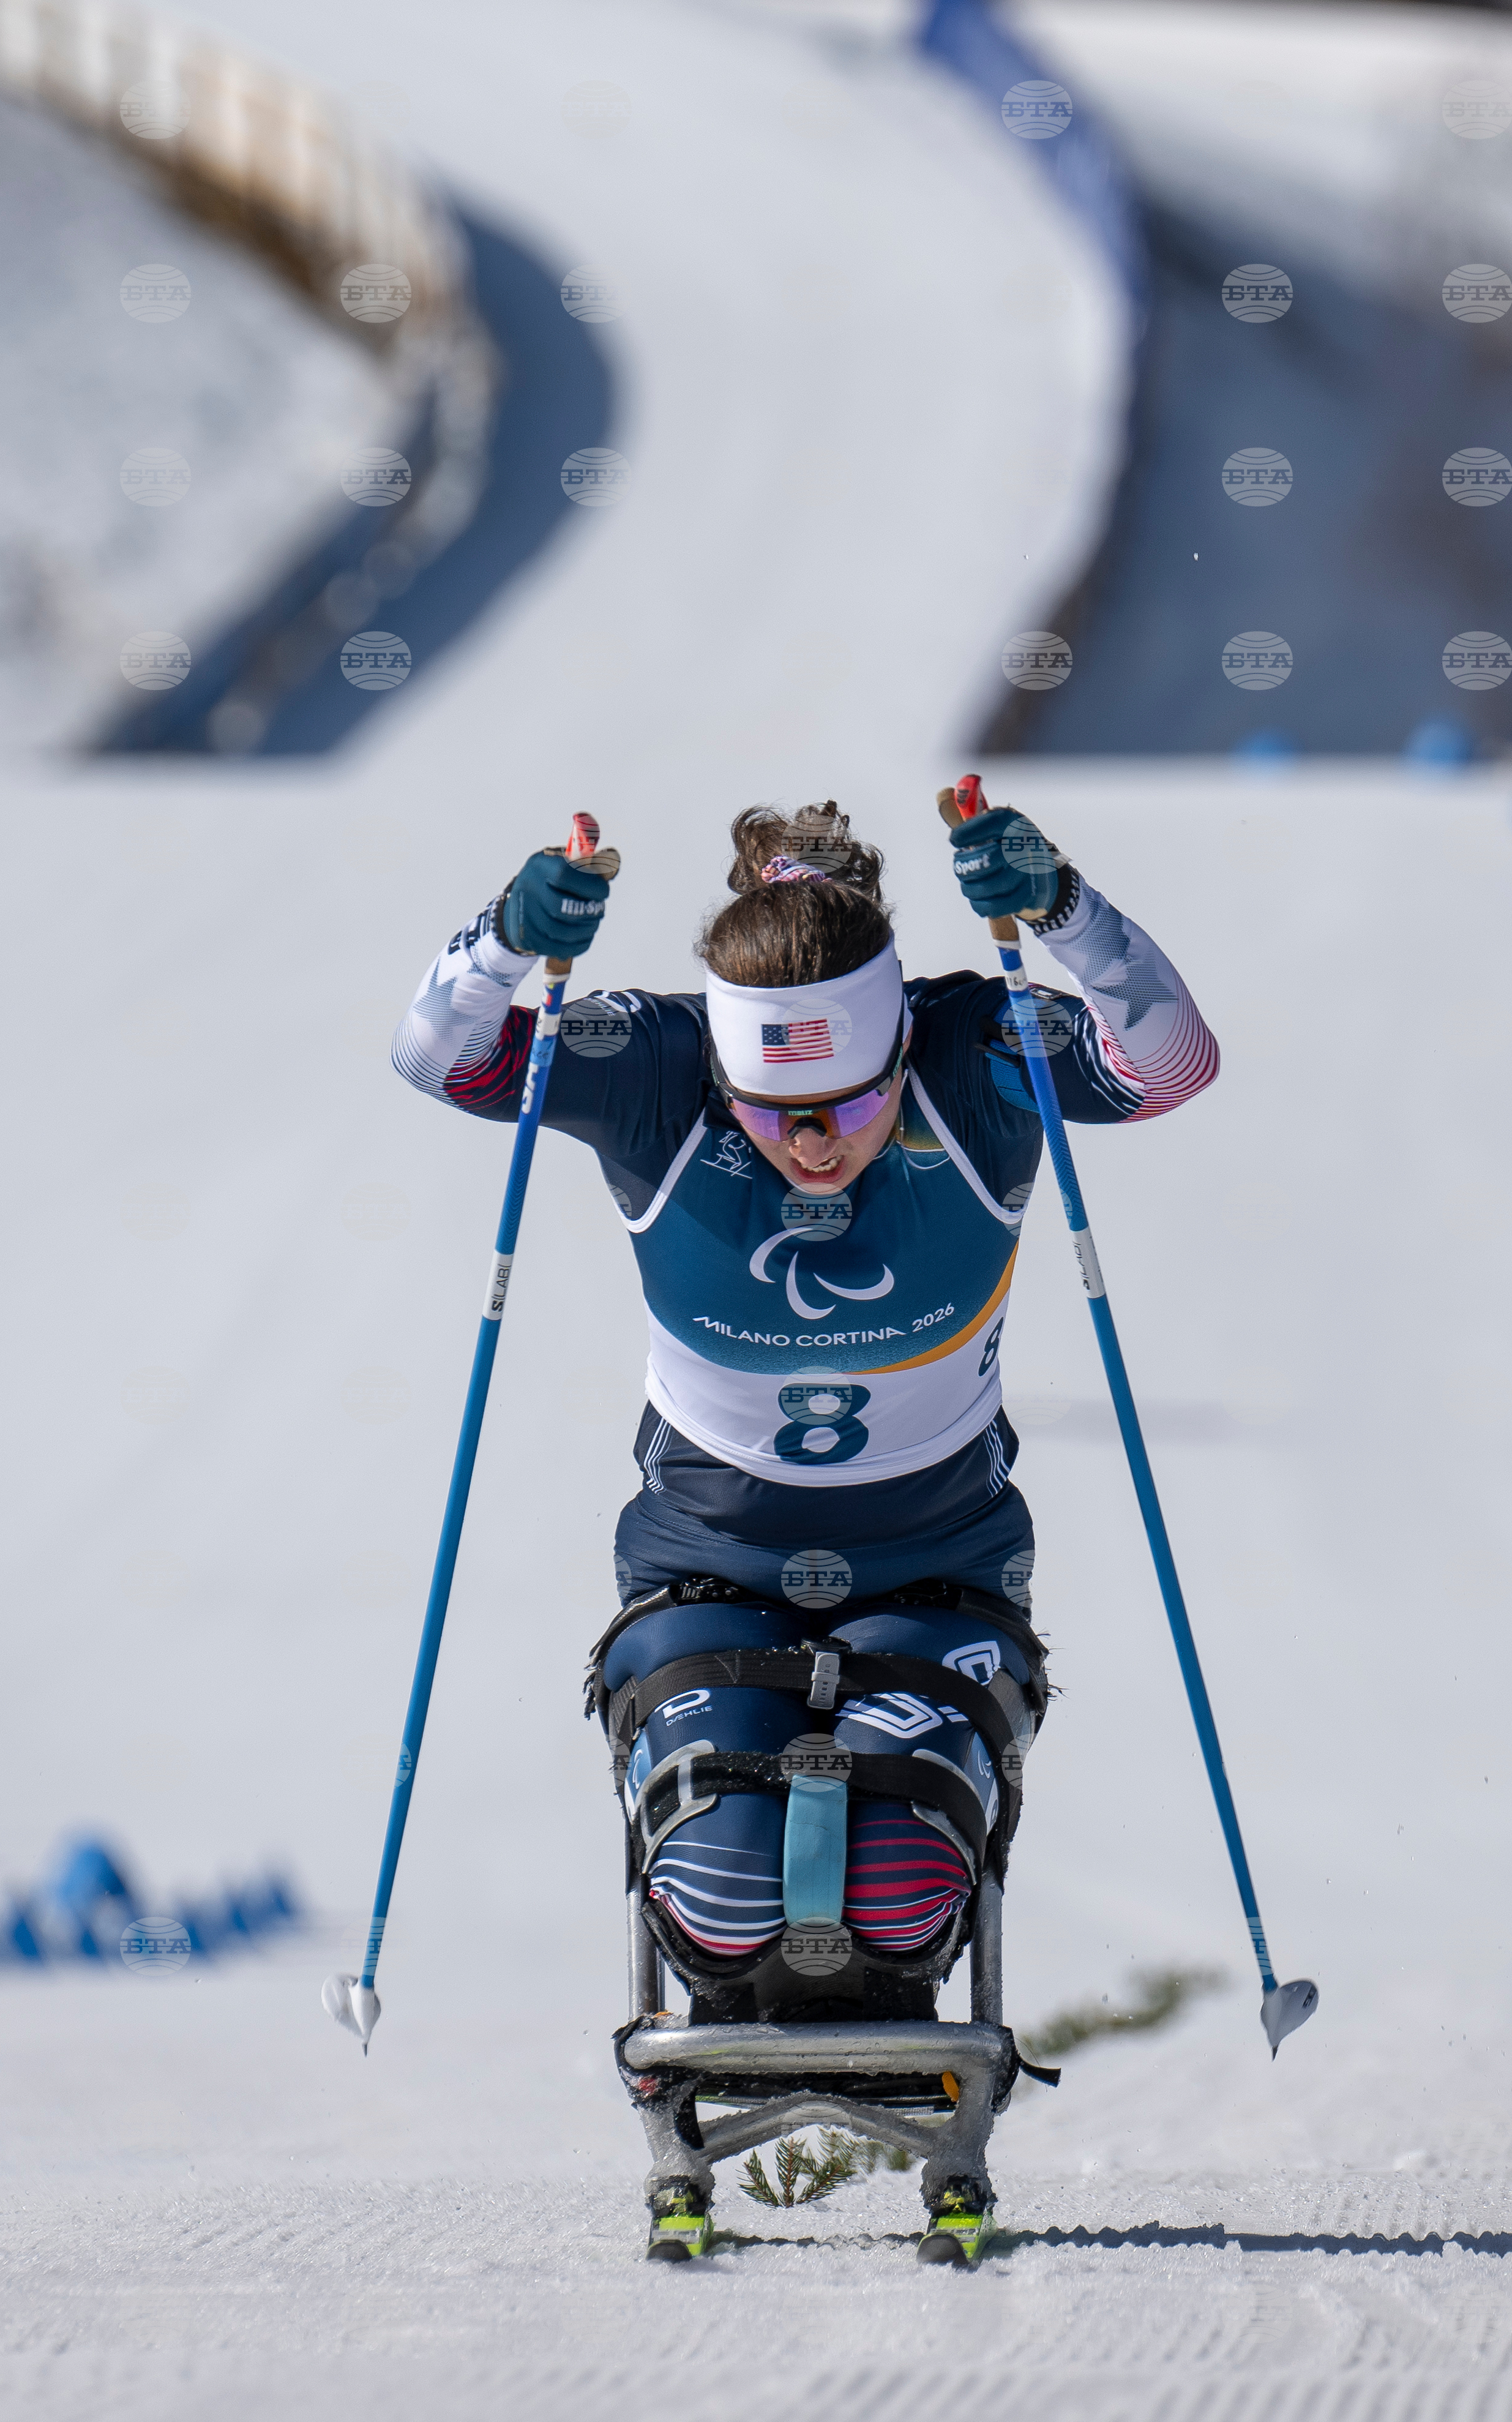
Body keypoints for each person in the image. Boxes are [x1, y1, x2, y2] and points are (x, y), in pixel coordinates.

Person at [393, 796, 1218, 2236]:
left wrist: (1070, 907)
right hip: (707, 1567)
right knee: (712, 1882)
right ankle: (711, 2096)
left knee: (897, 1886)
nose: (814, 1145)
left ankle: (913, 2067)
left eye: (847, 1101)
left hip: (940, 1566)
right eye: (774, 1114)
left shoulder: (973, 1050)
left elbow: (1170, 1065)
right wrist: (509, 940)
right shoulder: (653, 1066)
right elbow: (438, 1057)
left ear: (898, 1044)